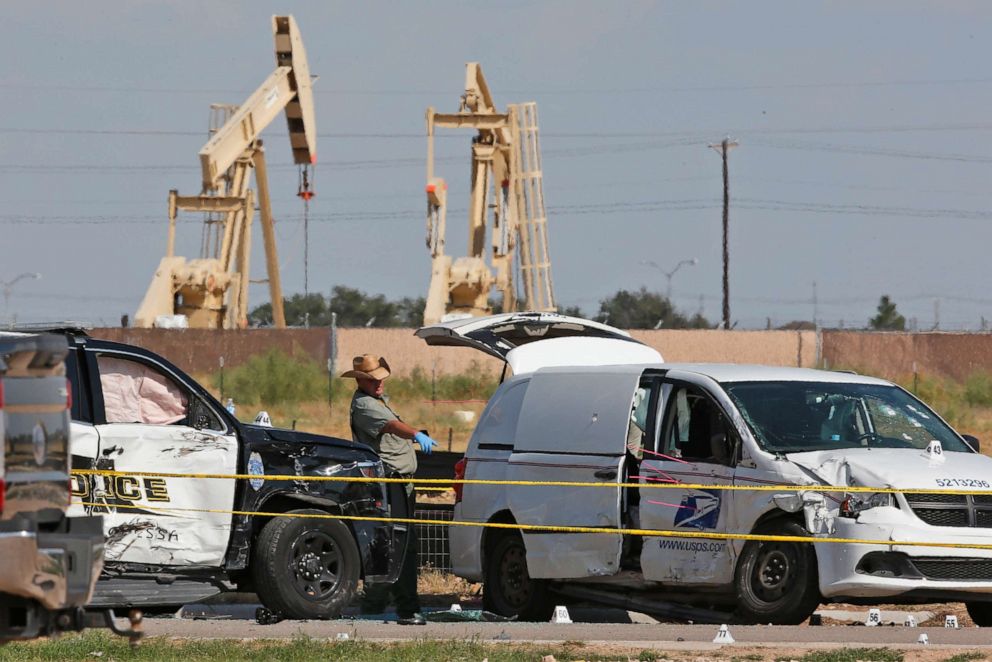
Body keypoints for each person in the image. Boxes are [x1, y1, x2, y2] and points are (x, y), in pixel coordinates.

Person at [342, 353, 438, 626]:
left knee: (394, 545)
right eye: (374, 380)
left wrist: (414, 434)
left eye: (381, 378)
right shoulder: (364, 405)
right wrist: (415, 434)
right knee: (399, 546)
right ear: (361, 380)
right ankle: (405, 607)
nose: (380, 384)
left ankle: (379, 604)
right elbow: (392, 426)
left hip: (399, 482)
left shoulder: (376, 400)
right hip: (389, 483)